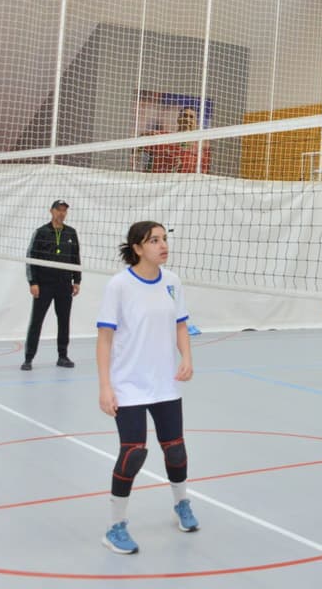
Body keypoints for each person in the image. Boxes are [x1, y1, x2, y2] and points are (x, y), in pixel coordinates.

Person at [96, 221, 198, 555]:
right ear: (138, 248)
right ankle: (115, 526)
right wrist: (105, 387)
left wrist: (187, 357)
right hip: (128, 385)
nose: (162, 245)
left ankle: (181, 503)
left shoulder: (172, 282)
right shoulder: (119, 286)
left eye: (164, 238)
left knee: (176, 449)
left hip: (165, 383)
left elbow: (180, 325)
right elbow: (105, 338)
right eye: (154, 240)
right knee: (133, 452)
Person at [22, 200, 82, 370]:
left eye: (64, 210)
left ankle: (62, 356)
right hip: (44, 285)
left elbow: (75, 258)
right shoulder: (41, 232)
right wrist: (33, 282)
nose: (61, 213)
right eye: (58, 210)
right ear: (51, 211)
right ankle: (28, 358)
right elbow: (31, 258)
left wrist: (77, 280)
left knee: (64, 321)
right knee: (36, 321)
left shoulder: (71, 233)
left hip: (64, 285)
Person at [148, 107, 212, 175]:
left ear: (195, 122)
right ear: (178, 119)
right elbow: (139, 144)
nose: (187, 119)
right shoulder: (163, 138)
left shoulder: (202, 148)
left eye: (191, 117)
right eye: (184, 116)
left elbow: (205, 173)